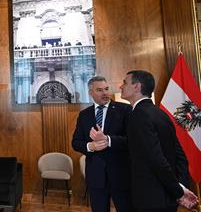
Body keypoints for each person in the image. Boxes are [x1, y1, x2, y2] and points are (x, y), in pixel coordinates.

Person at [120, 70, 199, 212]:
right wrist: (180, 187)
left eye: (125, 83)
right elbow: (180, 155)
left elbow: (155, 158)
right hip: (167, 197)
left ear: (137, 86)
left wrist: (179, 192)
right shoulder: (160, 113)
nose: (121, 86)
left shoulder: (138, 115)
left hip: (150, 199)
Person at [72, 76, 133, 212]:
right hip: (96, 177)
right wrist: (90, 146)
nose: (105, 93)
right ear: (90, 92)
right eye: (99, 90)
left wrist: (108, 140)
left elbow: (132, 140)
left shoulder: (125, 110)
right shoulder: (84, 115)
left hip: (120, 175)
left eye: (106, 89)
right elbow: (76, 142)